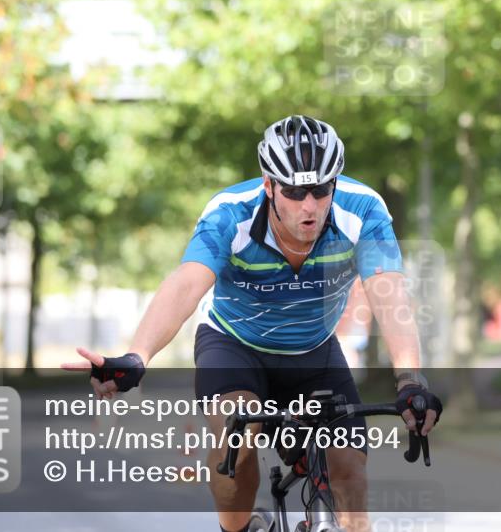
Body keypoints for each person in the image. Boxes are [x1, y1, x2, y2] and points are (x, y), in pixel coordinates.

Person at [63, 115, 442, 532]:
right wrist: (137, 356)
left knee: (350, 470)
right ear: (269, 185)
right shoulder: (230, 214)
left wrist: (409, 380)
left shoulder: (364, 210)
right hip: (233, 345)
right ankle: (239, 527)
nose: (310, 205)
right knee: (237, 442)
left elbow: (389, 294)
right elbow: (187, 283)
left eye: (321, 190)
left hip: (313, 349)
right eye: (295, 192)